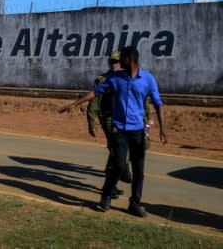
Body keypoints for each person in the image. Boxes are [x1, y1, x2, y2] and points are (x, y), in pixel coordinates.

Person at [59, 46, 167, 217]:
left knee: (139, 170)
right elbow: (95, 92)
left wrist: (163, 128)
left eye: (121, 58)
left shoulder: (147, 79)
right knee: (118, 165)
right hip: (119, 130)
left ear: (129, 59)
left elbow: (157, 103)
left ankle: (135, 203)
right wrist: (74, 104)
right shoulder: (115, 78)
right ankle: (106, 195)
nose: (116, 63)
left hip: (138, 131)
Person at [86, 51, 131, 199]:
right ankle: (110, 187)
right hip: (109, 118)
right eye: (111, 61)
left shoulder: (127, 78)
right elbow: (94, 102)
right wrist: (91, 121)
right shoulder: (103, 79)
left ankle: (111, 181)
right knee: (115, 150)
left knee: (119, 151)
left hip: (125, 119)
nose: (113, 64)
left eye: (116, 61)